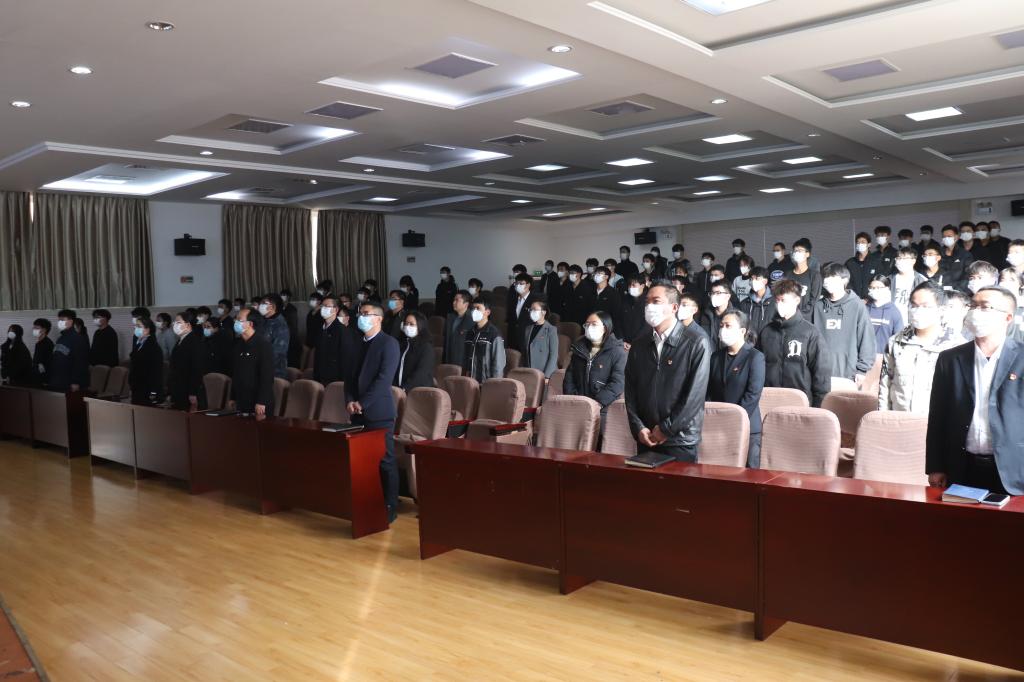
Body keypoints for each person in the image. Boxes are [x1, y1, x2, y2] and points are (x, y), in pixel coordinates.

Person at [927, 286, 1024, 495]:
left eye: (985, 307)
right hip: (962, 466)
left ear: (1008, 317)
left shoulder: (1021, 357)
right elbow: (937, 416)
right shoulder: (950, 359)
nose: (975, 311)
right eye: (973, 305)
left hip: (1013, 471)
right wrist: (935, 466)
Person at [623, 283, 711, 462]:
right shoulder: (639, 344)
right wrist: (638, 427)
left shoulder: (696, 342)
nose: (649, 307)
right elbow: (630, 391)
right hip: (646, 437)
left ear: (674, 307)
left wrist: (666, 429)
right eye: (647, 302)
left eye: (656, 301)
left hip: (680, 440)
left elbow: (694, 396)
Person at [346, 302, 401, 522]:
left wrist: (363, 403)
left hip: (379, 412)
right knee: (361, 460)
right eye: (360, 313)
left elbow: (383, 380)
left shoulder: (389, 343)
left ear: (378, 318)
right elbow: (350, 377)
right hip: (357, 413)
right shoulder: (357, 343)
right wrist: (350, 400)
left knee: (385, 460)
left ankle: (390, 505)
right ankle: (366, 501)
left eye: (366, 314)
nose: (362, 317)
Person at [878, 283, 958, 413]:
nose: (918, 311)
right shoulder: (896, 341)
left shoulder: (955, 345)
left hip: (935, 420)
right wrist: (883, 418)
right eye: (914, 306)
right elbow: (885, 384)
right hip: (899, 418)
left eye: (925, 306)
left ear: (941, 310)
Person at [757, 280, 831, 407]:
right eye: (777, 300)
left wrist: (818, 407)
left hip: (800, 402)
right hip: (770, 400)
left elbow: (821, 374)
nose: (779, 304)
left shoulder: (810, 333)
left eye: (783, 300)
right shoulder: (766, 332)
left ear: (797, 300)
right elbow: (757, 368)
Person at [708, 309, 765, 468]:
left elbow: (753, 394)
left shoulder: (755, 357)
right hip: (718, 427)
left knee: (748, 475)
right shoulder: (716, 357)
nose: (723, 329)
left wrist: (734, 419)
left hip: (747, 426)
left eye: (728, 326)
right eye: (721, 326)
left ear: (742, 331)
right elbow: (709, 391)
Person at [812, 263, 875, 383]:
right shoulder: (818, 306)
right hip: (820, 371)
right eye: (825, 277)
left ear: (844, 280)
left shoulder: (857, 305)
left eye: (832, 277)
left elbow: (866, 338)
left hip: (848, 372)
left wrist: (862, 369)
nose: (827, 280)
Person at [563, 311, 626, 430]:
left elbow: (617, 383)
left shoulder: (617, 352)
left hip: (603, 409)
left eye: (594, 324)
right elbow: (569, 377)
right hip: (578, 406)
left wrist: (596, 403)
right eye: (587, 324)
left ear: (605, 327)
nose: (589, 327)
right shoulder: (579, 349)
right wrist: (574, 400)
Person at [231, 308, 275, 416]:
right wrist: (233, 397)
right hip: (241, 399)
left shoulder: (263, 345)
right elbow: (235, 373)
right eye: (235, 319)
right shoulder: (238, 345)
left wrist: (261, 401)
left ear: (250, 324)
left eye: (239, 320)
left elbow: (267, 376)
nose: (235, 322)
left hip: (258, 402)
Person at [167, 311, 207, 411]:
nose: (174, 324)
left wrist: (193, 392)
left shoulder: (194, 342)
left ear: (188, 325)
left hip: (188, 390)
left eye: (178, 322)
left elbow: (197, 369)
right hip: (179, 387)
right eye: (174, 322)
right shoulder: (181, 340)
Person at [314, 295, 356, 386]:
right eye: (322, 306)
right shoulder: (320, 329)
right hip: (320, 377)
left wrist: (342, 383)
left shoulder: (343, 331)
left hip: (335, 379)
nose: (323, 308)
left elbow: (346, 359)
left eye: (327, 306)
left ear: (336, 310)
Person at [462, 297, 506, 382]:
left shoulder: (494, 334)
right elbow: (465, 359)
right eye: (473, 308)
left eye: (478, 308)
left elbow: (498, 365)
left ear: (487, 312)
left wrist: (494, 384)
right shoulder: (470, 333)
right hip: (469, 382)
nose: (474, 311)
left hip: (485, 382)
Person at [48, 309, 89, 392]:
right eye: (59, 320)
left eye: (62, 320)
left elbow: (81, 361)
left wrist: (76, 381)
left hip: (69, 381)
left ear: (71, 321)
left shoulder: (78, 338)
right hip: (58, 379)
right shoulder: (61, 338)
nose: (60, 322)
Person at [394, 311, 434, 391]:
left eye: (411, 324)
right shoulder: (401, 344)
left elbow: (421, 373)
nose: (407, 326)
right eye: (406, 324)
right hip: (399, 390)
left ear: (420, 326)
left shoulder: (426, 347)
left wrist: (405, 388)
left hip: (418, 391)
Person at [128, 317, 164, 405]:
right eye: (135, 326)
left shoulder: (153, 346)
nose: (136, 328)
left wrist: (153, 391)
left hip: (147, 388)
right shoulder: (139, 343)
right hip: (137, 386)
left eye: (139, 326)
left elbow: (156, 371)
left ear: (147, 329)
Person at [866, 275, 904, 355]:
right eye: (872, 288)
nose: (875, 290)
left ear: (887, 288)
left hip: (884, 357)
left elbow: (899, 338)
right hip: (864, 356)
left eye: (878, 287)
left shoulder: (894, 312)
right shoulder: (864, 309)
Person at [521, 299, 559, 378]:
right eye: (530, 309)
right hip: (530, 372)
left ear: (543, 312)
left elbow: (553, 355)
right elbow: (525, 352)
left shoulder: (551, 330)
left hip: (545, 373)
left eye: (534, 309)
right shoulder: (528, 329)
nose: (532, 312)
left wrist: (547, 376)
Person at [739, 267, 777, 339]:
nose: (753, 281)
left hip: (769, 342)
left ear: (765, 281)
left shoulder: (776, 301)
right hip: (750, 343)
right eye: (751, 279)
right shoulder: (744, 303)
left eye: (757, 278)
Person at [258, 294, 290, 378]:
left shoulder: (280, 325)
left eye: (264, 303)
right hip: (260, 367)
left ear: (273, 307)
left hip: (274, 372)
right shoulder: (263, 320)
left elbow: (278, 352)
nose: (260, 305)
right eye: (261, 303)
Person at [891, 248, 926, 321]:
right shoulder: (889, 279)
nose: (901, 261)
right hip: (891, 320)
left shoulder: (922, 281)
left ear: (913, 261)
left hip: (911, 320)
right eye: (899, 258)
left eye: (905, 258)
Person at [788, 239, 821, 317]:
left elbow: (814, 300)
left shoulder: (814, 275)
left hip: (807, 318)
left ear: (807, 254)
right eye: (795, 251)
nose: (796, 253)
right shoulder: (787, 275)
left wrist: (801, 315)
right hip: (789, 317)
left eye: (800, 251)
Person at [442, 290, 475, 368]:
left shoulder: (472, 320)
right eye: (454, 300)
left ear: (466, 304)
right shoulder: (450, 318)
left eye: (457, 300)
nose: (454, 302)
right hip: (449, 360)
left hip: (463, 363)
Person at [507, 272, 539, 351]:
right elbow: (510, 320)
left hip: (528, 339)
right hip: (513, 339)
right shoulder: (513, 299)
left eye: (521, 283)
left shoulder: (536, 300)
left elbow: (537, 322)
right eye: (516, 283)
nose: (518, 286)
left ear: (528, 285)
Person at [699, 281, 733, 349]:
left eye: (718, 293)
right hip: (708, 353)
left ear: (728, 296)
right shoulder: (704, 315)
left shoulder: (736, 316)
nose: (714, 296)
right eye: (712, 293)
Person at [939, 224, 973, 290]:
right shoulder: (938, 254)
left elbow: (967, 276)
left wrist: (956, 290)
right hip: (940, 290)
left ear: (956, 237)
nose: (946, 238)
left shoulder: (965, 255)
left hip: (958, 291)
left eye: (949, 236)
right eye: (944, 237)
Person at [592, 266, 624, 336]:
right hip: (592, 326)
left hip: (607, 328)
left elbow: (616, 315)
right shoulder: (591, 291)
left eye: (599, 273)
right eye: (595, 273)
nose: (596, 275)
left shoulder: (613, 293)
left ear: (606, 277)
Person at [620, 276, 648, 349]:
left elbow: (647, 326)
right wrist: (622, 340)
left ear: (642, 286)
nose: (631, 287)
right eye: (629, 285)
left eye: (634, 285)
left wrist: (634, 343)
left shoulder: (648, 301)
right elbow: (619, 320)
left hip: (641, 344)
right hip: (624, 343)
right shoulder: (625, 299)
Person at [846, 232, 873, 300]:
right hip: (853, 300)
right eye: (858, 242)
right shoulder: (850, 263)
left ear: (869, 244)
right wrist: (853, 297)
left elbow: (879, 281)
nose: (860, 244)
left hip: (871, 300)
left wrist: (868, 298)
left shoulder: (875, 261)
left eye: (863, 242)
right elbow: (846, 281)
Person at [279, 288, 301, 368]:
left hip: (291, 336)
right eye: (281, 295)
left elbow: (292, 325)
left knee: (292, 359)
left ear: (288, 297)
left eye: (284, 295)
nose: (282, 297)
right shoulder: (280, 308)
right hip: (282, 336)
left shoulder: (292, 309)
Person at [30, 319, 53, 386]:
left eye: (37, 328)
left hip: (43, 379)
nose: (34, 330)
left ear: (44, 330)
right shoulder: (38, 343)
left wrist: (46, 380)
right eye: (34, 327)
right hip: (36, 376)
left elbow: (49, 364)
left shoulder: (48, 344)